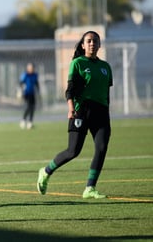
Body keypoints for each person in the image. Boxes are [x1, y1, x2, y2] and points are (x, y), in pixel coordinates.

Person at [37, 31, 112, 199]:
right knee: (73, 151)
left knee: (101, 148)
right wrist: (71, 108)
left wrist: (107, 110)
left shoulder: (105, 67)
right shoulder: (77, 63)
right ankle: (46, 171)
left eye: (95, 41)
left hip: (101, 113)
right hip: (81, 111)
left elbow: (106, 93)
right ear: (83, 45)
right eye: (89, 41)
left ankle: (90, 188)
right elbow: (69, 90)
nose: (92, 43)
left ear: (100, 45)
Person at [19, 62, 39, 129]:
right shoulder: (25, 75)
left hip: (32, 93)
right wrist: (20, 91)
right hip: (26, 93)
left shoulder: (35, 75)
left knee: (32, 108)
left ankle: (30, 122)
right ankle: (23, 120)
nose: (31, 69)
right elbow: (21, 83)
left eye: (32, 68)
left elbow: (36, 83)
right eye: (29, 68)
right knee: (28, 107)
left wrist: (38, 91)